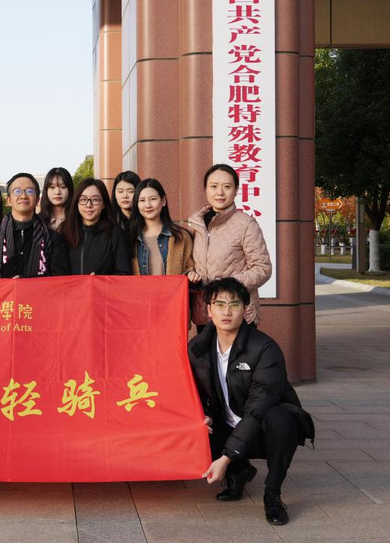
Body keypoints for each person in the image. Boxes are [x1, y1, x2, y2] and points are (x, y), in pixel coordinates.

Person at [188, 277, 314, 526]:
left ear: (245, 309)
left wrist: (225, 458)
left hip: (263, 430)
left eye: (234, 304)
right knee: (195, 424)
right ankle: (239, 471)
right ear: (209, 310)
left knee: (282, 419)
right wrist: (202, 415)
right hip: (226, 425)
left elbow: (258, 409)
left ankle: (272, 494)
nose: (226, 311)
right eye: (219, 304)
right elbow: (191, 392)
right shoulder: (197, 348)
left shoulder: (265, 349)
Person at [187, 164, 272, 329]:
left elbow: (263, 268)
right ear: (205, 189)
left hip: (236, 313)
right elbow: (191, 263)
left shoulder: (246, 224)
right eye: (214, 186)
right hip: (205, 313)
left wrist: (227, 285)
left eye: (226, 187)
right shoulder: (196, 224)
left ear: (236, 190)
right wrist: (191, 273)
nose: (220, 192)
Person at [0, 172, 70, 278]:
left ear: (37, 200)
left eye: (29, 191)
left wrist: (26, 283)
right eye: (17, 191)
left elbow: (60, 278)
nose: (23, 196)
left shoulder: (53, 238)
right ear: (8, 200)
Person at [129, 178, 200, 281]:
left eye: (153, 199)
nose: (148, 205)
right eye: (142, 200)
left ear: (163, 201)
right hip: (139, 291)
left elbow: (189, 267)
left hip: (172, 291)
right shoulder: (130, 238)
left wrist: (191, 274)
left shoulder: (180, 237)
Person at [64, 178, 131, 275]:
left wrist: (101, 280)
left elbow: (124, 273)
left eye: (95, 200)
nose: (88, 205)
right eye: (83, 199)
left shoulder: (116, 235)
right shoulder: (67, 232)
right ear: (77, 203)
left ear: (103, 204)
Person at [38, 167, 74, 233]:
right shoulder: (38, 221)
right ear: (46, 190)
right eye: (52, 187)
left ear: (70, 190)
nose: (57, 192)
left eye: (63, 187)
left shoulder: (77, 219)